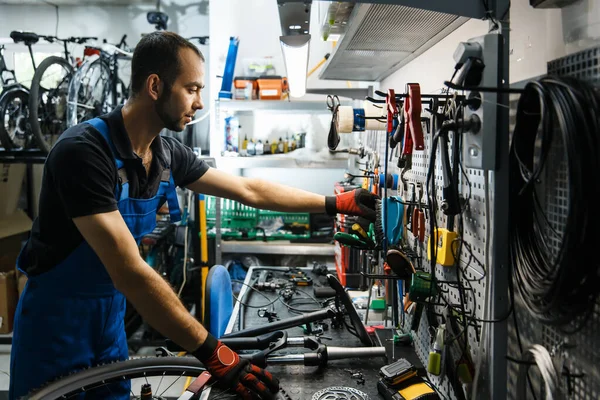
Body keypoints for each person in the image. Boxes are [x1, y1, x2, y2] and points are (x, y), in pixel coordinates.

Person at [9, 31, 378, 400]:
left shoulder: (166, 153)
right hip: (55, 324)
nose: (199, 103)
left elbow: (250, 191)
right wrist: (212, 353)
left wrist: (334, 203)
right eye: (192, 89)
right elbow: (129, 269)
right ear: (155, 86)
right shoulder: (84, 153)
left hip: (109, 319)